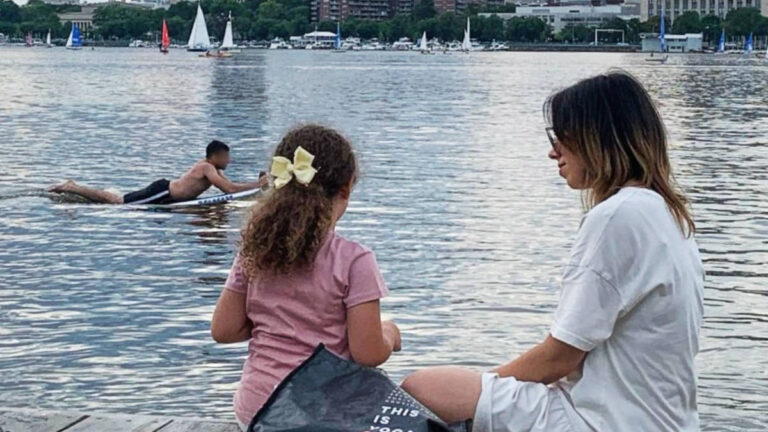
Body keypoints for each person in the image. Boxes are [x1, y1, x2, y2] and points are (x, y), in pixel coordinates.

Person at [401, 71, 705, 432]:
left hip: (600, 420)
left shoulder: (616, 216)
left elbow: (560, 357)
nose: (552, 151)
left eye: (560, 137)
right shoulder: (668, 216)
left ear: (595, 137)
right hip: (662, 419)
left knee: (423, 388)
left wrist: (482, 388)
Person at [210, 125, 402, 431]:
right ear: (345, 190)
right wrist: (389, 335)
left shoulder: (255, 250)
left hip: (254, 410)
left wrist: (276, 324)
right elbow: (368, 353)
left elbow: (223, 330)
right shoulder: (355, 260)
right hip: (320, 416)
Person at [49, 140, 267, 204]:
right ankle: (71, 187)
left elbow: (232, 187)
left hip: (165, 192)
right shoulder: (206, 168)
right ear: (216, 156)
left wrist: (255, 187)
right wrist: (258, 186)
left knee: (117, 198)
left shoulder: (213, 168)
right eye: (226, 157)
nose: (229, 161)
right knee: (116, 203)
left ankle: (78, 187)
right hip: (162, 192)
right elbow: (228, 189)